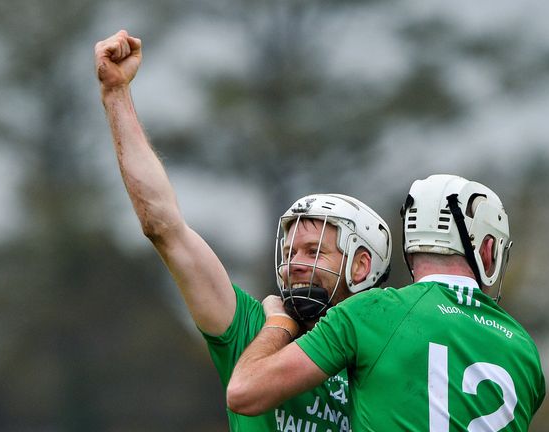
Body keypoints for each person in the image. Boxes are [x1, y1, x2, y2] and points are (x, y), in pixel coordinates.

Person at [94, 29, 393, 431]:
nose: (294, 265)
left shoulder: (390, 355)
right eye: (289, 253)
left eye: (314, 251)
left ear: (361, 267)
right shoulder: (250, 329)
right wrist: (116, 94)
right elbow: (163, 226)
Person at [228, 174, 546, 431]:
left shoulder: (372, 312)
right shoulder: (522, 348)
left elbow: (245, 391)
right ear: (488, 248)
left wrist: (279, 323)